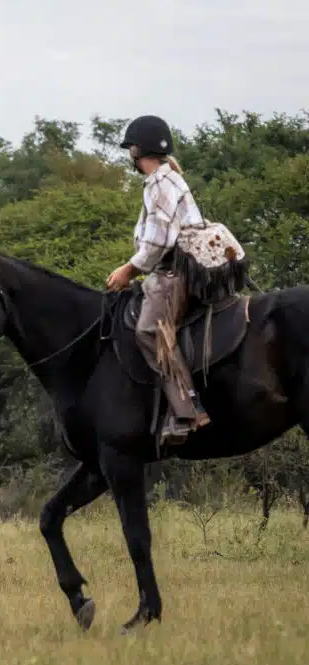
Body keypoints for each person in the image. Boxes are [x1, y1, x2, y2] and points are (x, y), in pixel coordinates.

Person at [106, 115, 247, 445]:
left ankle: (187, 411)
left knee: (149, 330)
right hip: (173, 267)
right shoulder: (163, 180)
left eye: (131, 148)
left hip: (175, 272)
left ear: (138, 150)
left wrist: (128, 270)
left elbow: (158, 242)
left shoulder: (161, 184)